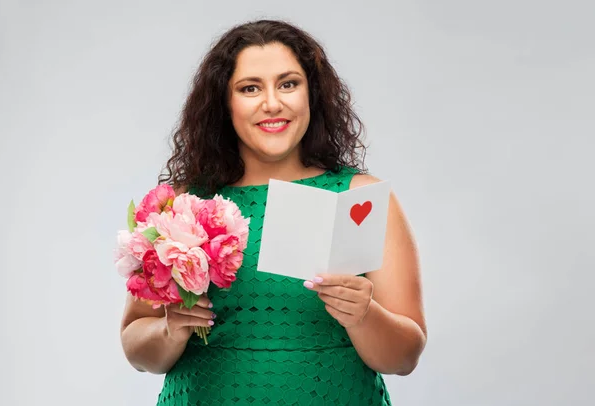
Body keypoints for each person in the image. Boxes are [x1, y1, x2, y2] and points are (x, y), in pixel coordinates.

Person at [120, 19, 427, 405]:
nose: (272, 103)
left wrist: (364, 315)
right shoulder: (183, 206)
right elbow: (136, 348)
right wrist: (170, 330)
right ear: (224, 103)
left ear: (311, 94)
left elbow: (404, 357)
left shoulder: (357, 196)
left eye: (288, 84)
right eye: (250, 88)